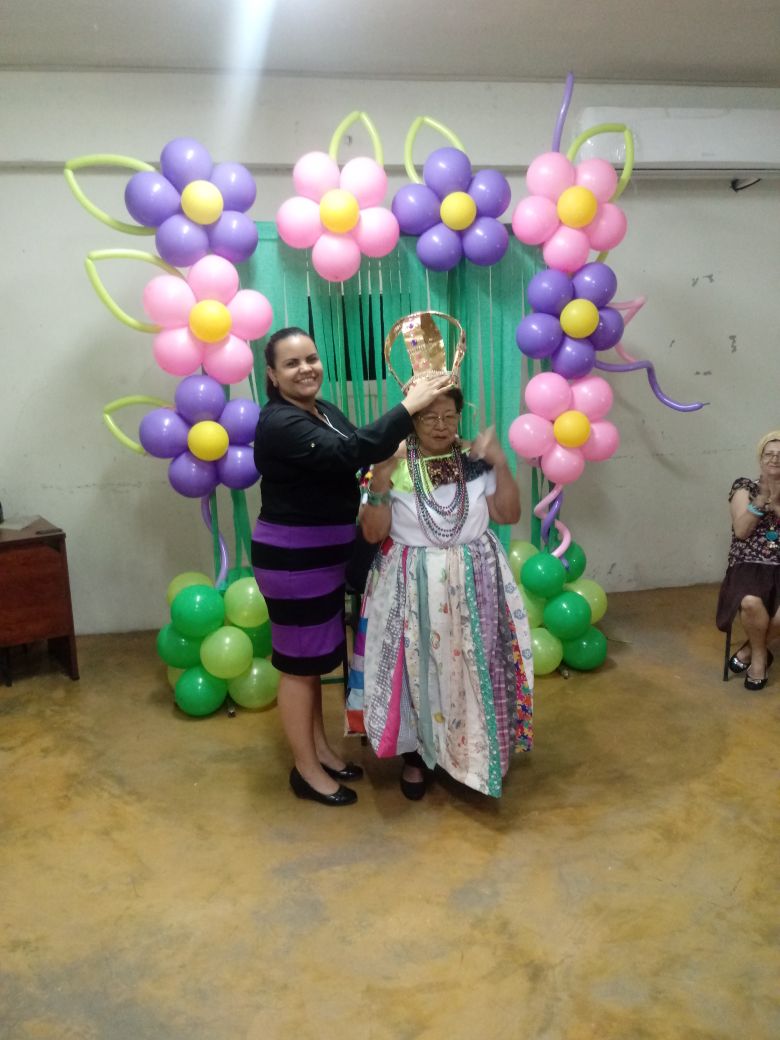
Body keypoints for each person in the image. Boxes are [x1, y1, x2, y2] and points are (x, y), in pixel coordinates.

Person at [252, 326, 453, 807]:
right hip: (294, 558)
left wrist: (402, 432)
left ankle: (320, 749)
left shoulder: (323, 411)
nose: (306, 369)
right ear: (272, 376)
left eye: (311, 359)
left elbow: (360, 451)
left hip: (326, 552)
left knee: (319, 659)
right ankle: (305, 771)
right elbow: (347, 453)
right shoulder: (279, 423)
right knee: (300, 667)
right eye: (292, 364)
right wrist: (406, 411)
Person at [348, 313, 534, 800]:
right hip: (411, 583)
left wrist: (500, 462)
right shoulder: (386, 467)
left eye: (448, 415)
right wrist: (383, 483)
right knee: (417, 669)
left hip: (476, 577)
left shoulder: (477, 456)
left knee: (476, 664)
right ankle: (419, 757)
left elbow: (508, 513)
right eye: (428, 416)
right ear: (410, 419)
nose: (439, 425)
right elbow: (372, 533)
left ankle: (474, 754)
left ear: (459, 415)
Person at [716, 430, 780, 691]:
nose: (775, 459)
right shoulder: (744, 487)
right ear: (760, 458)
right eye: (769, 454)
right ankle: (759, 658)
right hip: (748, 564)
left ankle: (750, 651)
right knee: (751, 602)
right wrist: (762, 500)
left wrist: (776, 507)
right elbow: (741, 531)